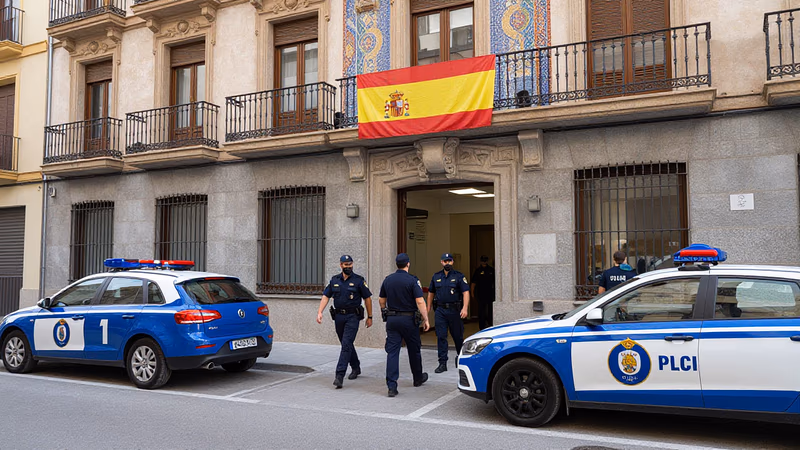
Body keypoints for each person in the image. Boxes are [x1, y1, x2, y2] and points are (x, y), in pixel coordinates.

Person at [316, 255, 373, 389]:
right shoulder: (335, 280)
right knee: (345, 343)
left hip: (353, 316)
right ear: (341, 265)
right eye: (346, 265)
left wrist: (370, 316)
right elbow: (326, 296)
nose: (348, 267)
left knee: (346, 344)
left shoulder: (359, 280)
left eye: (350, 264)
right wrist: (320, 312)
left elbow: (368, 298)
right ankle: (356, 367)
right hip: (339, 317)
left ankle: (339, 375)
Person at [379, 253, 430, 397]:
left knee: (392, 352)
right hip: (409, 320)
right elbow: (420, 301)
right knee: (414, 350)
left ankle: (391, 386)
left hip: (392, 320)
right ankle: (417, 378)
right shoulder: (412, 280)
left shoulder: (388, 280)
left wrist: (384, 312)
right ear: (408, 264)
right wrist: (426, 319)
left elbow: (381, 300)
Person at [427, 253, 470, 374]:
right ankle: (442, 363)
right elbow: (431, 292)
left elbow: (465, 292)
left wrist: (465, 308)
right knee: (441, 336)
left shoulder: (459, 276)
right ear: (441, 262)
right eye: (445, 261)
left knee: (457, 336)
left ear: (452, 262)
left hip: (454, 310)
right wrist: (428, 307)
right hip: (440, 310)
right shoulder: (436, 276)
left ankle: (461, 359)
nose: (447, 263)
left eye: (449, 261)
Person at [470, 255, 495, 330]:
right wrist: (472, 293)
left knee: (490, 311)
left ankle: (490, 325)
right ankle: (482, 327)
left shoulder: (491, 270)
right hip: (480, 294)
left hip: (490, 294)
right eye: (483, 260)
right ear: (480, 261)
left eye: (485, 260)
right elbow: (473, 283)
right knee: (481, 311)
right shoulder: (478, 271)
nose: (484, 262)